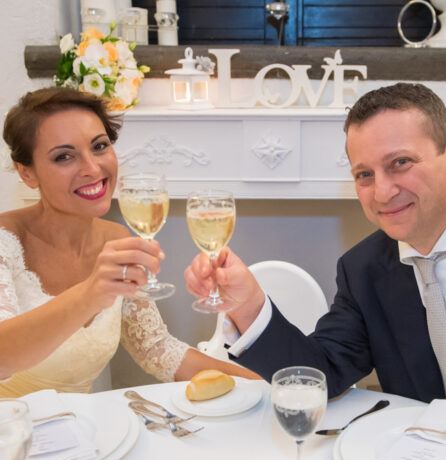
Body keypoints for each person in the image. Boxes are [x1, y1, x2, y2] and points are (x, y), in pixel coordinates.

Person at [185, 82, 446, 445]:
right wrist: (248, 304)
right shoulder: (363, 272)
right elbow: (319, 376)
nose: (382, 192)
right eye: (364, 175)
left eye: (400, 163)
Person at [0, 86, 259, 397]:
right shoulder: (5, 242)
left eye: (99, 146)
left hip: (79, 430)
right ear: (27, 173)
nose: (93, 169)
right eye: (64, 156)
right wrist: (89, 294)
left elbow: (156, 348)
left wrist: (262, 384)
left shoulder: (118, 239)